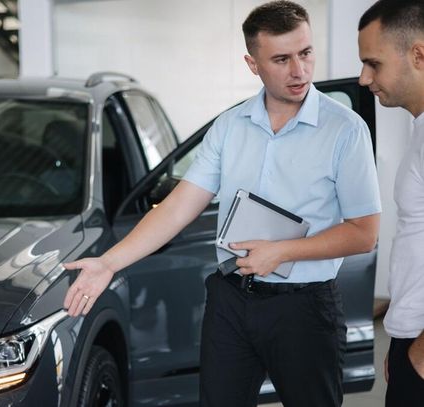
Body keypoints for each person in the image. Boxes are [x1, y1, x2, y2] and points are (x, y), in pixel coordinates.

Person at [64, 1, 381, 406]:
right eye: (281, 59)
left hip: (305, 305)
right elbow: (180, 206)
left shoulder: (345, 130)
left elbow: (363, 233)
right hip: (231, 301)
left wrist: (282, 252)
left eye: (305, 53)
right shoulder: (230, 127)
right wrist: (109, 263)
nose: (299, 70)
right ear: (253, 64)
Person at [358, 1, 424, 406]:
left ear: (418, 54)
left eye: (373, 63)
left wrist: (420, 352)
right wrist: (402, 336)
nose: (364, 78)